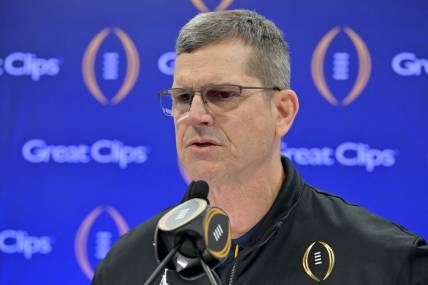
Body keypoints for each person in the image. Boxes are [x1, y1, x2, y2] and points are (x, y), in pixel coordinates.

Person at [92, 10, 428, 285]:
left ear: (283, 111)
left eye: (222, 94)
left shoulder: (385, 263)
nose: (194, 116)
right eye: (182, 98)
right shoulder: (128, 267)